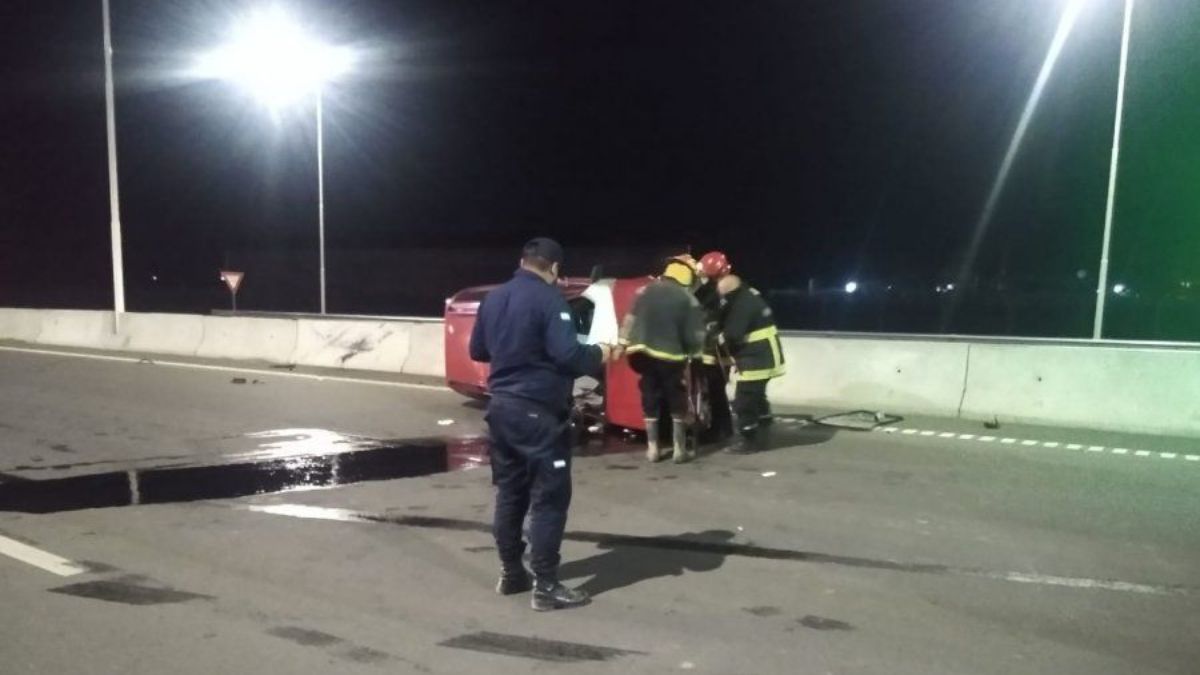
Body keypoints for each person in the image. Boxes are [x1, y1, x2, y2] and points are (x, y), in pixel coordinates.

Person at [469, 237, 614, 611]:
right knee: (550, 497)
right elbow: (570, 356)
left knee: (510, 492)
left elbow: (478, 350)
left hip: (501, 409)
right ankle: (546, 585)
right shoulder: (550, 300)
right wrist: (601, 353)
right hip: (539, 412)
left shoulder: (493, 298)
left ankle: (511, 573)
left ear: (523, 261)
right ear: (554, 268)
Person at [620, 255, 706, 463]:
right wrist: (696, 355)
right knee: (676, 397)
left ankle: (652, 449)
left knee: (650, 394)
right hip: (670, 355)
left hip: (641, 354)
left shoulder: (645, 290)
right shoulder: (687, 299)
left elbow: (629, 319)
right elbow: (695, 334)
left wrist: (622, 343)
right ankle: (679, 450)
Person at [715, 272, 786, 453]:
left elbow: (733, 334)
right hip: (764, 355)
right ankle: (764, 421)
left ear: (729, 292)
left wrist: (718, 337)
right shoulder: (748, 295)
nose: (722, 299)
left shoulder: (741, 305)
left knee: (744, 400)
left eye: (723, 296)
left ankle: (748, 440)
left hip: (757, 358)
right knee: (757, 393)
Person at [695, 251, 735, 442]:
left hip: (713, 352)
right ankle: (723, 428)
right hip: (720, 350)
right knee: (716, 392)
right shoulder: (729, 290)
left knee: (715, 391)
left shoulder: (713, 292)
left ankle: (719, 430)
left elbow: (697, 308)